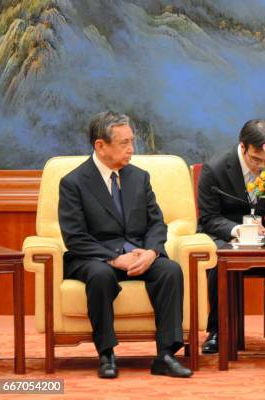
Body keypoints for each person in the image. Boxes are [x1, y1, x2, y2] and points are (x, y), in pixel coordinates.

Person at [58, 111, 192, 378]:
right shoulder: (73, 182)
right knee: (100, 276)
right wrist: (114, 258)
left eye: (132, 141)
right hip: (95, 257)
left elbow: (157, 223)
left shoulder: (139, 177)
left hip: (139, 252)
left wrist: (152, 252)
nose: (132, 149)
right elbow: (75, 237)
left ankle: (165, 355)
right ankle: (106, 354)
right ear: (101, 145)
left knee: (170, 271)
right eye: (124, 143)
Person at [198, 119, 265, 353]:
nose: (262, 167)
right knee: (219, 259)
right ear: (243, 147)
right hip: (227, 236)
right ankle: (217, 330)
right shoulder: (215, 169)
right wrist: (238, 231)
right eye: (256, 160)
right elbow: (208, 219)